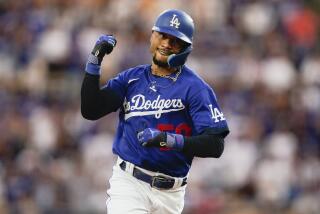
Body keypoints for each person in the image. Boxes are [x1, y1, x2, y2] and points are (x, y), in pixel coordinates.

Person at [81, 9, 229, 214]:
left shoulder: (195, 88)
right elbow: (90, 110)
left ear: (185, 49)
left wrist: (168, 139)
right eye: (163, 35)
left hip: (171, 193)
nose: (166, 43)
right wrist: (94, 62)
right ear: (152, 36)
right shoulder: (131, 79)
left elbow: (215, 144)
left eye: (175, 40)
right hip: (130, 183)